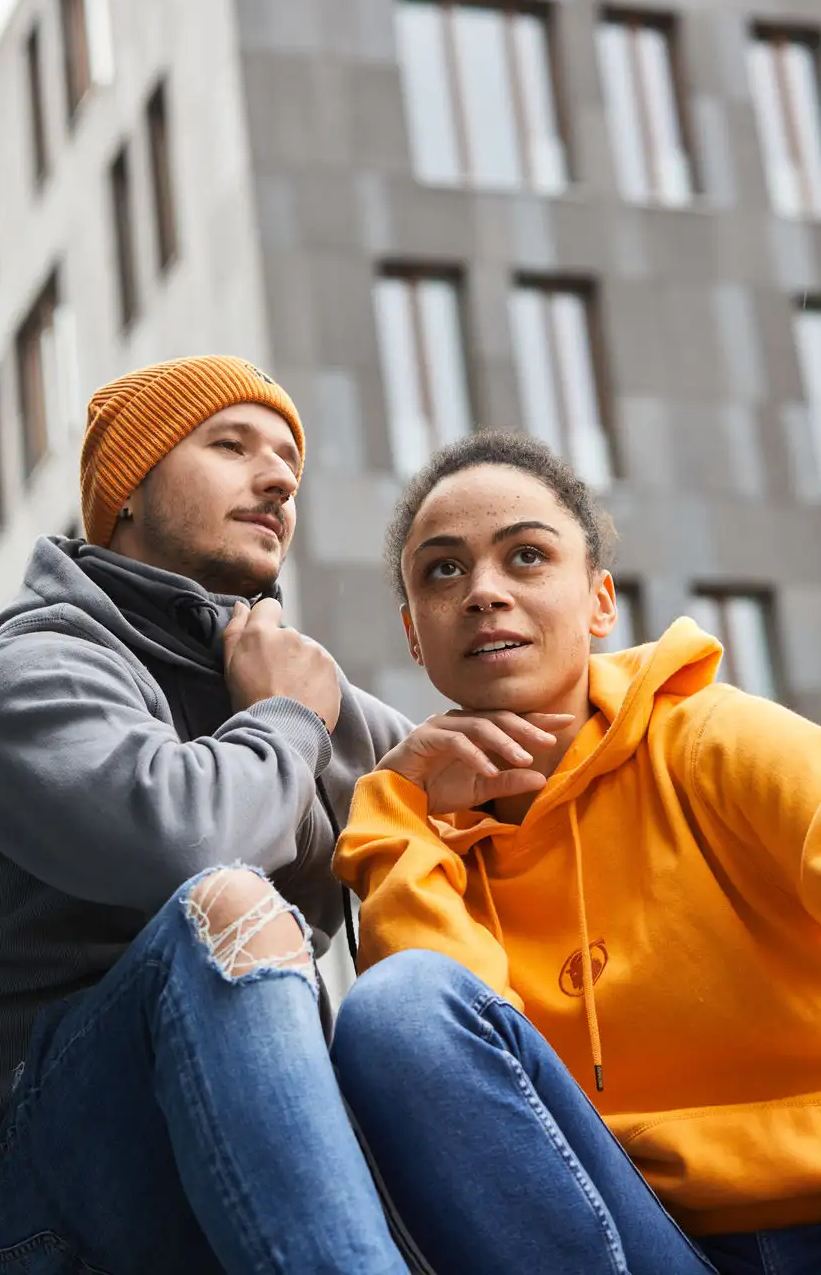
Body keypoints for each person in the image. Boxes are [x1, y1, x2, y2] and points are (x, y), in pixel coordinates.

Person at [0, 355, 425, 1275]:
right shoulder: (38, 670)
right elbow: (189, 845)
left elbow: (465, 781)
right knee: (227, 906)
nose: (274, 481)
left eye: (288, 470)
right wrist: (288, 720)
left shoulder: (272, 671)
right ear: (126, 491)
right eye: (231, 446)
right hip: (27, 1203)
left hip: (227, 1160)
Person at [332, 427, 821, 1275]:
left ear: (599, 601)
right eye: (443, 570)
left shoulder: (709, 741)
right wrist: (398, 810)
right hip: (629, 1243)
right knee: (398, 1008)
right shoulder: (428, 846)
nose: (483, 592)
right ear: (415, 635)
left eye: (525, 557)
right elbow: (455, 1107)